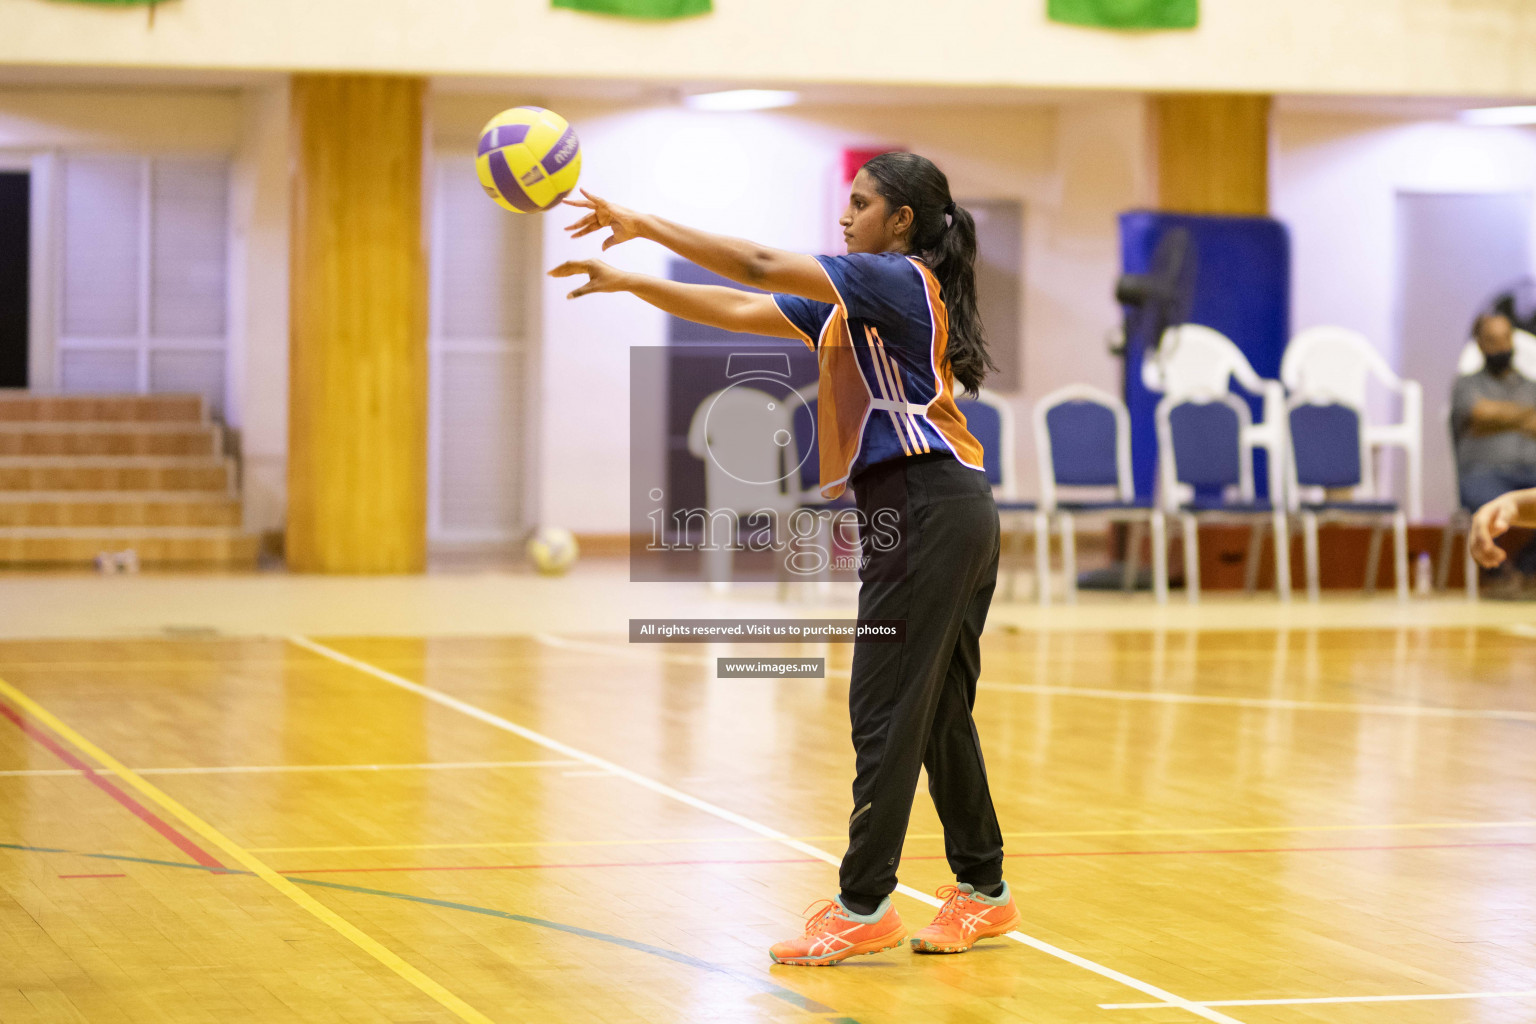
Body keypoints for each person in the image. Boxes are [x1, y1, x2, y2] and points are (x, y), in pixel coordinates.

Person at [550, 152, 1020, 965]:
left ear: (900, 220)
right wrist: (632, 283)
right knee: (937, 711)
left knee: (884, 712)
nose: (846, 216)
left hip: (929, 510)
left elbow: (761, 262)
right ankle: (985, 891)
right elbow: (740, 303)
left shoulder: (894, 280)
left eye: (862, 203)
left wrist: (643, 226)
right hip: (949, 509)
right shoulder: (857, 306)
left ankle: (863, 905)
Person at [1452, 313, 1536, 592]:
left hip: (1530, 472)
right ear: (1480, 345)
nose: (1501, 347)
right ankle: (1496, 575)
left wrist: (1497, 415)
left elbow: (1489, 413)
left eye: (1506, 339)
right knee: (1488, 500)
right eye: (1492, 340)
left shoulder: (1530, 386)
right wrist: (1525, 418)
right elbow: (1478, 412)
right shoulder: (1466, 385)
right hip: (1483, 473)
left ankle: (1526, 570)